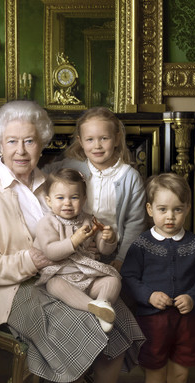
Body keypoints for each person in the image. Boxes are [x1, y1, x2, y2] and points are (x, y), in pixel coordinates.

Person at [0, 100, 144, 383]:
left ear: (41, 144)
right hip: (10, 289)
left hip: (65, 274)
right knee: (82, 325)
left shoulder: (52, 184)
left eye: (29, 141)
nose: (21, 151)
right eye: (12, 141)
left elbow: (75, 228)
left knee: (117, 317)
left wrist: (91, 244)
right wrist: (30, 261)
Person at [121, 172, 195, 383]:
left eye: (177, 209)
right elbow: (128, 277)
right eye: (162, 209)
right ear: (150, 209)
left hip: (187, 322)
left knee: (180, 374)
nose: (170, 216)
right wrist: (149, 295)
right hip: (153, 321)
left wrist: (192, 297)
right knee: (155, 372)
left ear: (188, 209)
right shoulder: (141, 244)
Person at [43, 106, 146, 271]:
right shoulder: (73, 167)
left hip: (114, 251)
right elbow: (42, 175)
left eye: (104, 138)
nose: (97, 146)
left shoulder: (130, 177)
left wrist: (121, 258)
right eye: (89, 139)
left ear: (117, 139)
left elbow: (135, 223)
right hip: (75, 246)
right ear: (81, 141)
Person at [34, 168, 121, 333]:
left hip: (87, 276)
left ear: (84, 199)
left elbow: (103, 251)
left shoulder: (89, 220)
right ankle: (94, 308)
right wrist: (74, 241)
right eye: (60, 198)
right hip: (61, 274)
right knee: (53, 285)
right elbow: (50, 251)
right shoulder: (47, 223)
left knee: (113, 280)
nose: (67, 203)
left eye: (74, 197)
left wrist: (108, 239)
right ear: (49, 201)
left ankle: (103, 302)